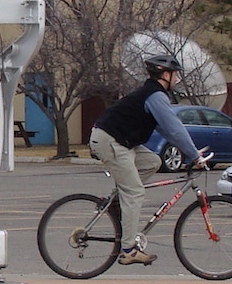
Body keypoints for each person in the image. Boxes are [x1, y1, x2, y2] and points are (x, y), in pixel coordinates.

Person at [88, 55, 210, 266]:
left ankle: (117, 202)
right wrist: (195, 156)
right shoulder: (155, 96)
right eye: (175, 75)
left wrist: (191, 151)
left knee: (152, 162)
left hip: (118, 140)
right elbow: (175, 128)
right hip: (110, 141)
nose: (178, 79)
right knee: (134, 191)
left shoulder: (152, 95)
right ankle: (128, 250)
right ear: (165, 75)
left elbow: (167, 130)